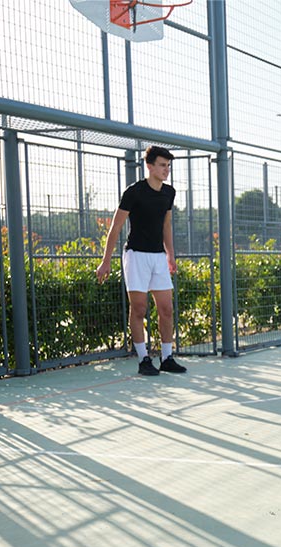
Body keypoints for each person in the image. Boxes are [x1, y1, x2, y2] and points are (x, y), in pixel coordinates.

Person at [96, 145, 187, 376]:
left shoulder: (169, 193)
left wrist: (170, 255)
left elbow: (166, 225)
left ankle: (167, 358)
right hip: (135, 256)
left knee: (166, 309)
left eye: (168, 166)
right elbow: (116, 226)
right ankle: (143, 359)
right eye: (162, 165)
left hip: (158, 258)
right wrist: (105, 261)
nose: (166, 170)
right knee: (139, 308)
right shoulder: (133, 192)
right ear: (149, 166)